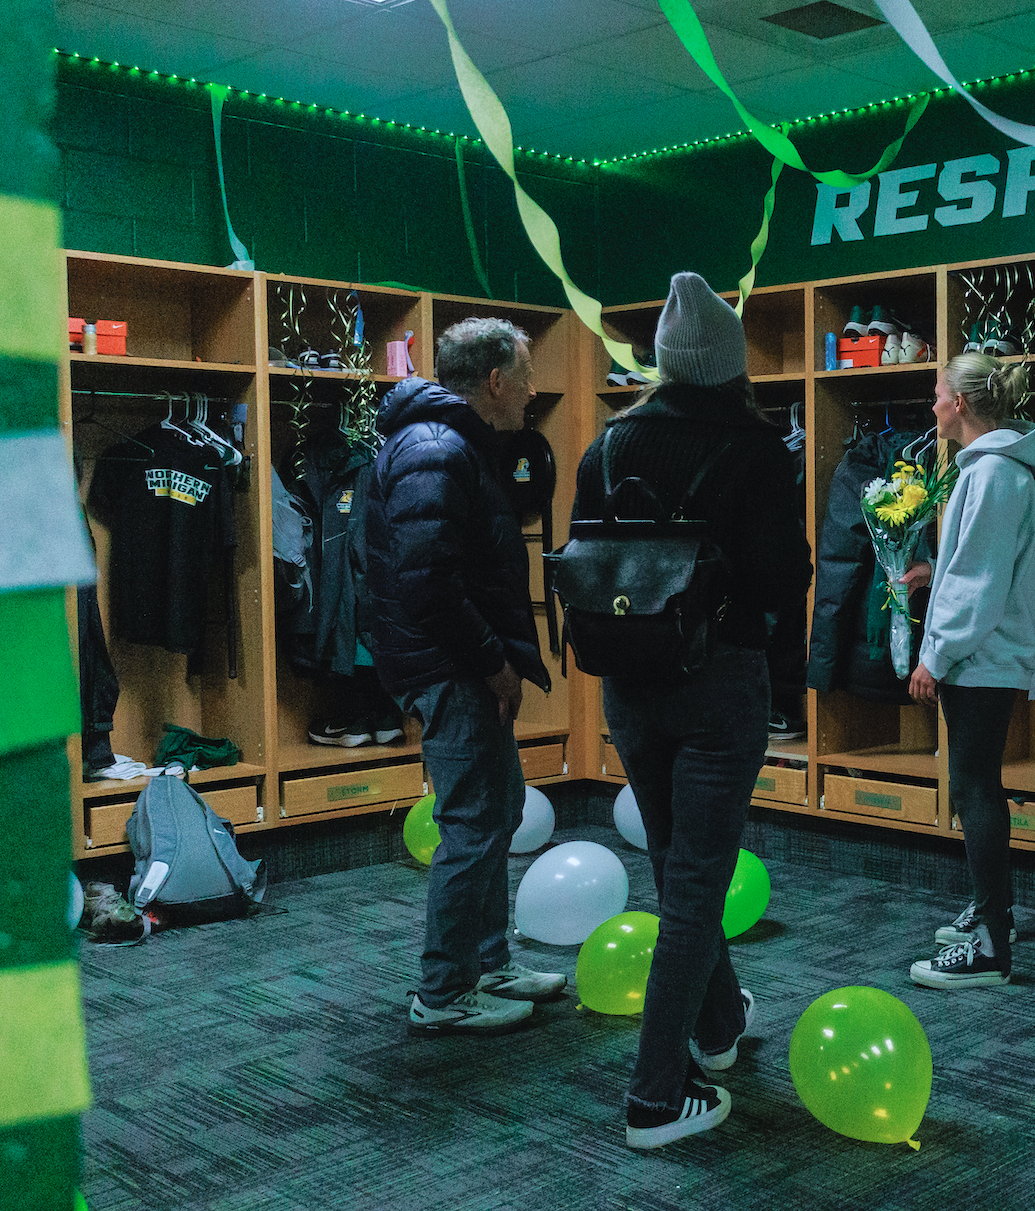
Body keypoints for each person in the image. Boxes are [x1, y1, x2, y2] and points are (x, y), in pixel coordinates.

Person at [572, 272, 812, 1147]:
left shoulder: (605, 446)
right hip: (718, 683)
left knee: (680, 863)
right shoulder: (753, 449)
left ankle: (715, 1030)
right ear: (731, 367)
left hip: (627, 684)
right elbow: (786, 576)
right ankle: (653, 1095)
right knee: (693, 881)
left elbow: (582, 564)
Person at [365, 317, 566, 1036]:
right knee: (473, 823)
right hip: (450, 665)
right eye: (527, 372)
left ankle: (486, 959)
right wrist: (492, 664)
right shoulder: (437, 447)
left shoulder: (449, 444)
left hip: (456, 661)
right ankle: (445, 990)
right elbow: (427, 584)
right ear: (493, 381)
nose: (534, 389)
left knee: (498, 806)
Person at [905, 353, 1035, 989]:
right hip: (988, 652)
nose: (934, 404)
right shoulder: (994, 469)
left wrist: (933, 656)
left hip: (982, 657)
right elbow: (974, 567)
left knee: (974, 790)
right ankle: (994, 916)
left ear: (961, 404)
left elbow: (979, 584)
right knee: (978, 787)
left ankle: (993, 946)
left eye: (939, 394)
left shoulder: (994, 472)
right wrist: (930, 574)